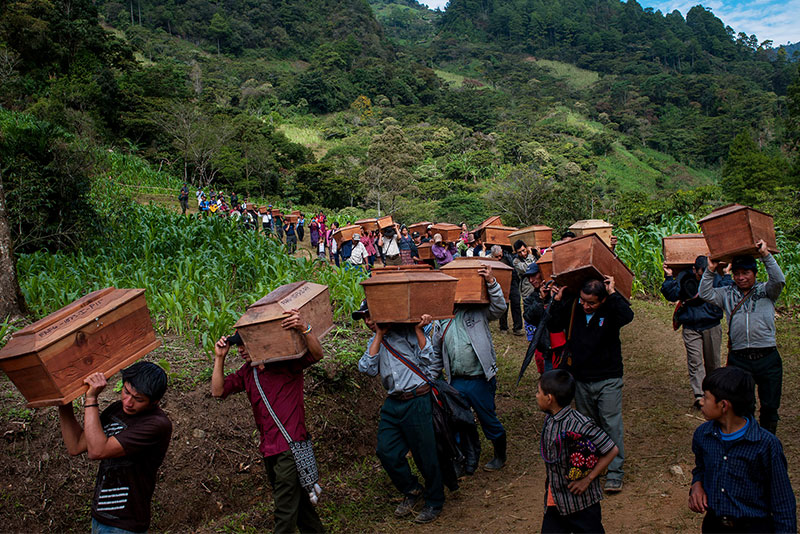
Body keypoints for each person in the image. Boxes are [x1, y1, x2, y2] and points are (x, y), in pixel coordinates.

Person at [212, 310, 325, 534]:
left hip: (290, 449)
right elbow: (218, 390)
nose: (241, 350)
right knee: (300, 504)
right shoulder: (248, 372)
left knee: (284, 509)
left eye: (245, 344)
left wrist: (305, 328)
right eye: (238, 346)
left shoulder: (286, 363)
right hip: (270, 450)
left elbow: (316, 354)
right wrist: (219, 358)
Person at [355, 302, 444, 524]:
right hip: (394, 403)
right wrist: (378, 335)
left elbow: (428, 358)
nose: (367, 322)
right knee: (386, 450)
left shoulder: (407, 332)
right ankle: (412, 489)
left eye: (370, 316)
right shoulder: (374, 342)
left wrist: (419, 329)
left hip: (417, 399)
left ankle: (435, 501)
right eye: (364, 318)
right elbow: (367, 368)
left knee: (425, 454)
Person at [58, 362, 172, 534]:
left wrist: (91, 399)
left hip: (125, 524)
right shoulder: (117, 409)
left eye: (138, 399)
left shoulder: (156, 425)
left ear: (154, 402)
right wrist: (63, 401)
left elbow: (97, 451)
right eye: (126, 392)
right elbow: (75, 445)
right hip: (100, 517)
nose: (128, 402)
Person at [547, 277, 634, 493]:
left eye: (592, 303)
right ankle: (594, 465)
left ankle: (615, 472)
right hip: (581, 378)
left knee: (611, 423)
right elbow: (553, 324)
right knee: (589, 426)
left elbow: (627, 315)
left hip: (608, 378)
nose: (586, 305)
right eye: (583, 300)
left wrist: (613, 293)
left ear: (602, 300)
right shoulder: (575, 307)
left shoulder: (611, 311)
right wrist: (557, 301)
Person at [689, 366, 796, 533]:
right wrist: (697, 484)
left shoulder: (765, 445)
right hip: (714, 525)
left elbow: (783, 501)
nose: (701, 401)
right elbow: (701, 467)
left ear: (723, 405)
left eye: (706, 397)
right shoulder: (703, 435)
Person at [699, 240, 785, 435]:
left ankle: (768, 440)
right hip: (739, 358)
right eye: (737, 273)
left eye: (746, 273)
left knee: (770, 406)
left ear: (755, 274)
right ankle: (748, 439)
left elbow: (779, 280)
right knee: (743, 405)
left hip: (767, 356)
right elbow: (705, 293)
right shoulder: (727, 293)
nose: (740, 277)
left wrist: (765, 255)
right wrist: (711, 269)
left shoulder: (766, 291)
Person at [432, 264, 507, 474]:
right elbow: (437, 351)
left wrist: (491, 283)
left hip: (480, 379)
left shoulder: (479, 310)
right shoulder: (442, 317)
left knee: (487, 418)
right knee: (458, 420)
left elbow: (500, 308)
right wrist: (432, 377)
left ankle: (500, 453)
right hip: (456, 380)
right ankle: (466, 456)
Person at [537, 369, 619, 534]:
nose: (536, 396)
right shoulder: (550, 421)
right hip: (556, 502)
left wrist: (588, 479)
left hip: (582, 504)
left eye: (538, 392)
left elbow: (611, 449)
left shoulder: (580, 424)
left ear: (549, 398)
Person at [662, 256, 733, 409]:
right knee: (695, 362)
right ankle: (700, 396)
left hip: (711, 325)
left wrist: (727, 274)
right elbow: (671, 294)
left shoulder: (715, 277)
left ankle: (713, 393)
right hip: (691, 326)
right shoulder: (684, 278)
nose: (704, 278)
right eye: (701, 275)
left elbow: (727, 292)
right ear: (694, 270)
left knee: (713, 362)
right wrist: (668, 276)